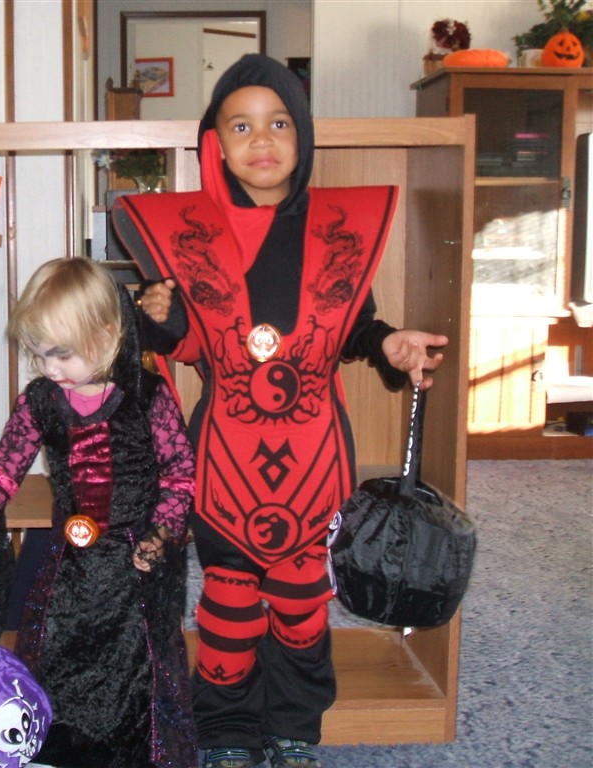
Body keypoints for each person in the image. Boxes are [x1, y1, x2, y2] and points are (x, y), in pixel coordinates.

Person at [111, 54, 449, 768]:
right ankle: (226, 733)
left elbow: (354, 326)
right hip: (223, 466)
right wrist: (158, 318)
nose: (261, 140)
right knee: (228, 611)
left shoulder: (338, 231)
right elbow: (183, 343)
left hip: (315, 464)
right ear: (216, 143)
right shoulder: (189, 236)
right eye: (241, 126)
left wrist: (389, 345)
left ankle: (295, 727)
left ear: (303, 136)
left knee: (301, 610)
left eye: (278, 123)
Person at [0, 257, 199, 767]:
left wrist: (159, 534)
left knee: (135, 673)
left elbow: (180, 475)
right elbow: (3, 470)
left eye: (60, 354)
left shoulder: (146, 397)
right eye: (38, 354)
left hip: (134, 570)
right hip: (70, 568)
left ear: (106, 335)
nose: (48, 369)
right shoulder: (40, 402)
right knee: (60, 659)